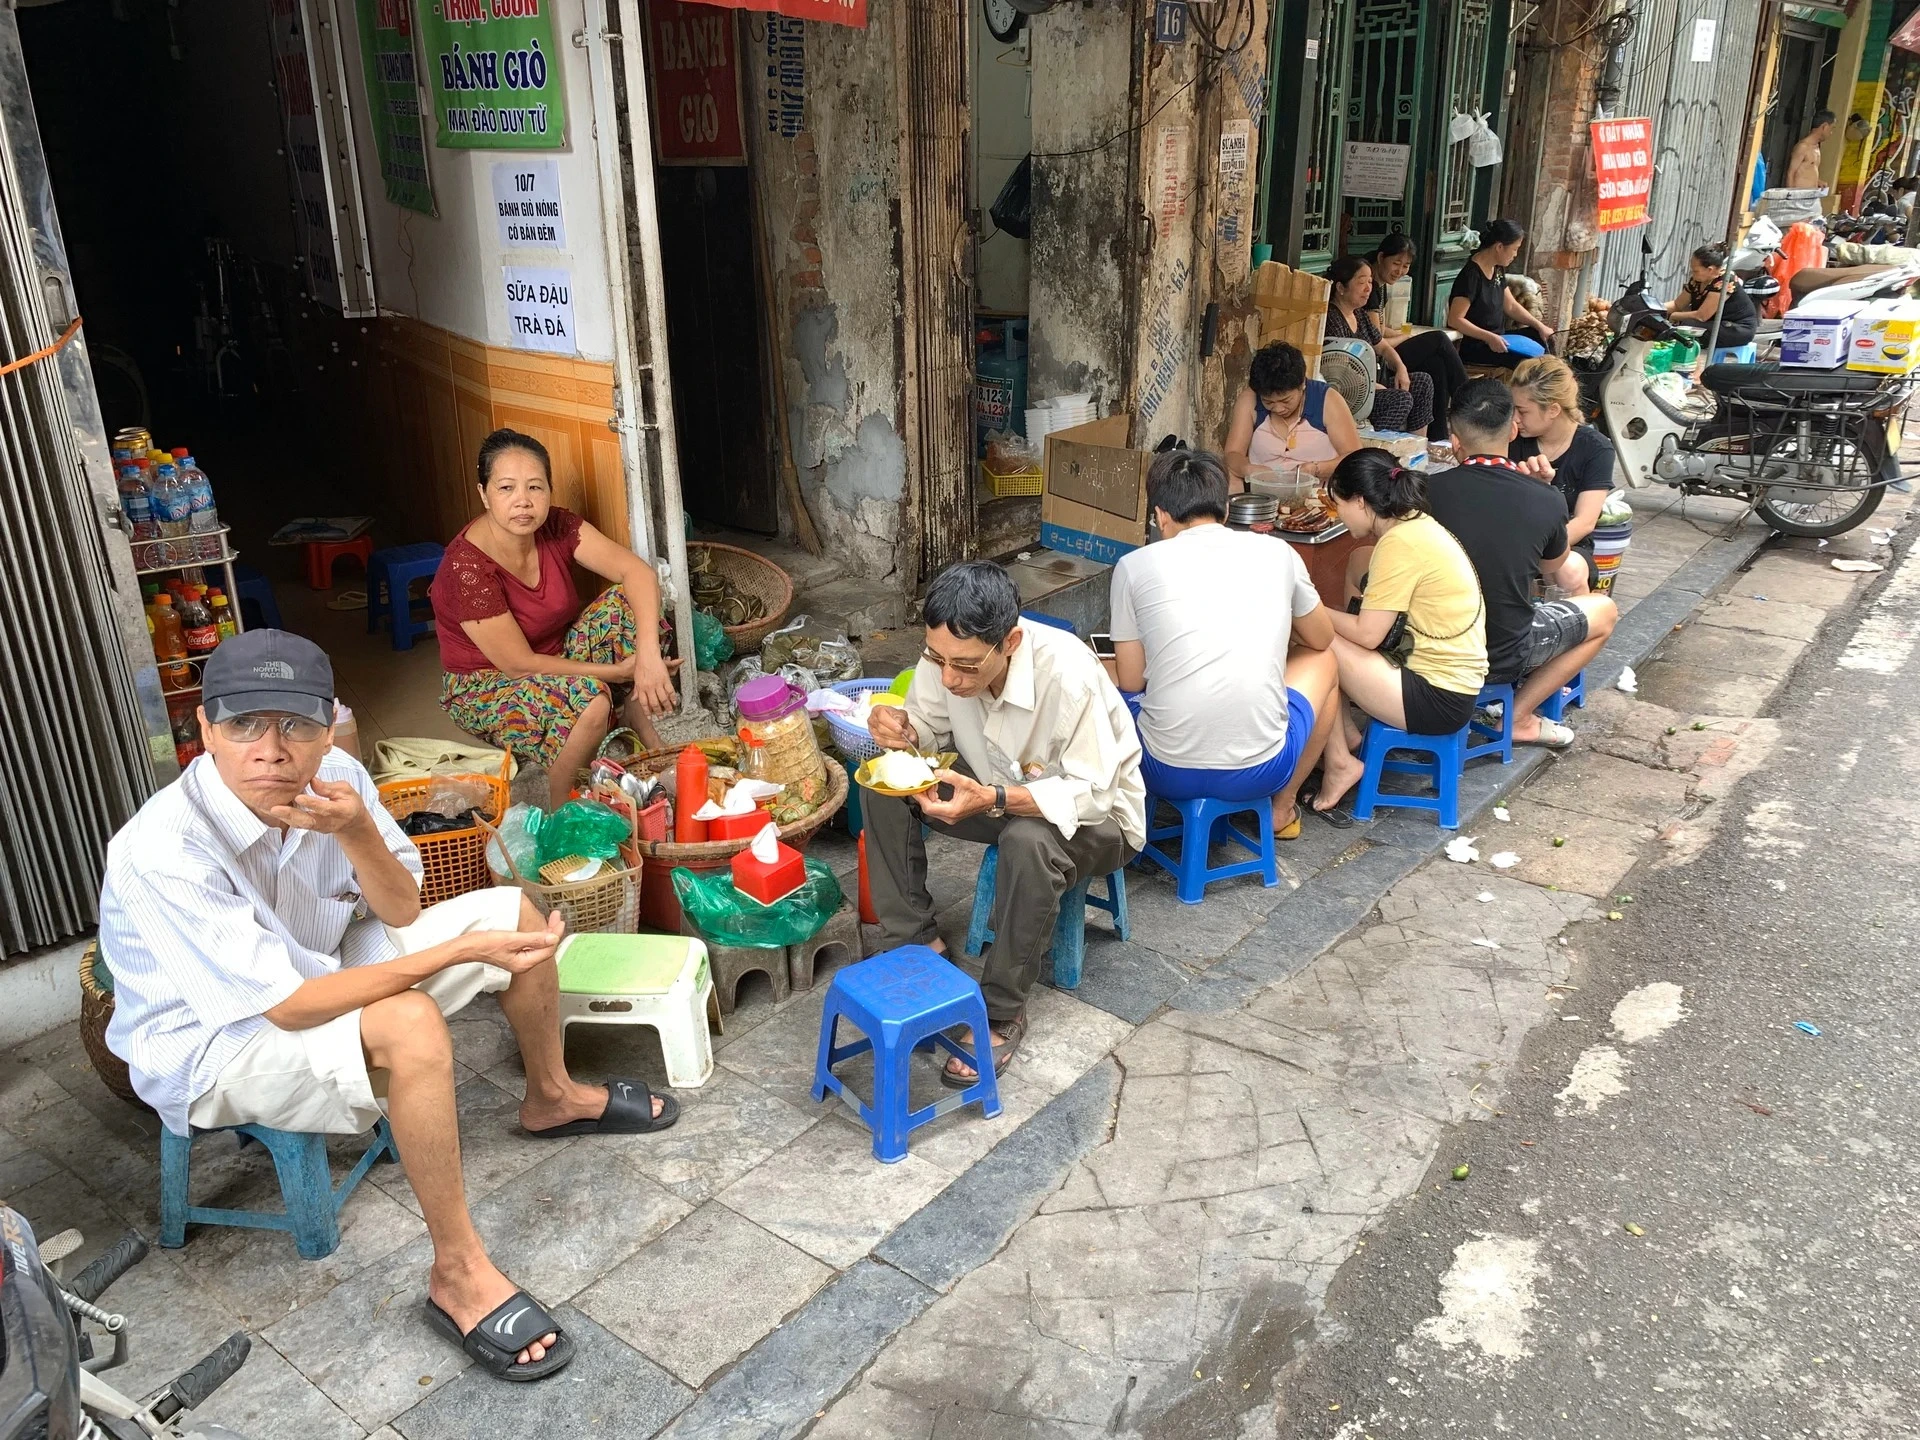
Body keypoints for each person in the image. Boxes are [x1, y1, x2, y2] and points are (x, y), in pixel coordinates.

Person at [97, 631, 677, 1384]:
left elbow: (401, 905)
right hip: (214, 1042)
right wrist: (452, 958)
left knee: (511, 915)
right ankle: (459, 1273)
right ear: (204, 732)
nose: (272, 751)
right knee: (412, 1023)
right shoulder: (163, 850)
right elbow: (290, 1006)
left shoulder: (335, 773)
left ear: (324, 725)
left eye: (295, 725)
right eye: (243, 724)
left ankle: (553, 1096)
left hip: (317, 966)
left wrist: (358, 830)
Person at [864, 563, 1144, 1083]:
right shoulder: (949, 653)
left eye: (966, 668)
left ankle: (1001, 1009)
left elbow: (1096, 795)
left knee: (1028, 839)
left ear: (1010, 641)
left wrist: (995, 797)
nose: (949, 677)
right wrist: (900, 729)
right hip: (992, 791)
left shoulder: (1068, 673)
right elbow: (929, 726)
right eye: (937, 659)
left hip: (1102, 820)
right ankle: (916, 940)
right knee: (882, 783)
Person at [431, 428, 678, 810]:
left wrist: (647, 656)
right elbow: (518, 664)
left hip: (555, 651)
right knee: (591, 703)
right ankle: (563, 805)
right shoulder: (467, 569)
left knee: (631, 604)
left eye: (535, 487)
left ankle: (634, 714)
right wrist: (621, 672)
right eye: (506, 488)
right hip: (487, 682)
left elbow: (639, 574)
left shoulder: (558, 526)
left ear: (549, 490)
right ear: (483, 494)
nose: (523, 502)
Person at [1108, 450, 1340, 840]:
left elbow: (1131, 681)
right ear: (1227, 512)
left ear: (1161, 515)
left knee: (1103, 673)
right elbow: (1321, 638)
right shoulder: (1279, 552)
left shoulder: (1134, 566)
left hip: (1165, 771)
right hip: (1260, 770)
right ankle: (1281, 808)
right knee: (1327, 662)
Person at [1425, 380, 1619, 750]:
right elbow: (1552, 568)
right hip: (1503, 655)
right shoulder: (1545, 498)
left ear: (1454, 440)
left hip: (1431, 646)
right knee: (1604, 611)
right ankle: (1521, 717)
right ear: (1513, 429)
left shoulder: (1424, 493)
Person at [1308, 450, 1488, 817]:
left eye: (1339, 504)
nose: (1339, 515)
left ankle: (1341, 761)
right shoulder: (1415, 524)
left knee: (1315, 640)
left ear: (1360, 501)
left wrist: (1307, 610)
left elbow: (1368, 634)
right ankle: (1346, 738)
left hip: (1437, 696)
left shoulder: (1400, 542)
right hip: (1452, 682)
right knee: (1336, 610)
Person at [1508, 355, 1618, 593]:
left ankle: (1578, 626)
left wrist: (1540, 551)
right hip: (1513, 538)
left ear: (1553, 410)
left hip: (1568, 543)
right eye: (1512, 409)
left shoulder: (1596, 449)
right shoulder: (1511, 439)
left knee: (1567, 571)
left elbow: (1585, 521)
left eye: (1522, 411)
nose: (1514, 419)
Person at [1360, 234, 1471, 440]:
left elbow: (1381, 329)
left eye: (1406, 266)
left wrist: (1407, 334)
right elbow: (1377, 342)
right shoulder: (1370, 287)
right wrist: (1407, 338)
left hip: (1383, 353)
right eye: (1396, 263)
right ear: (1381, 257)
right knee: (1438, 339)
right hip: (1376, 362)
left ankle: (1438, 437)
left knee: (1436, 364)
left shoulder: (1380, 284)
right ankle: (1469, 399)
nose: (1400, 271)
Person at [1224, 341, 1362, 486]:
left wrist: (1316, 468)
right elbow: (1232, 454)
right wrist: (1248, 469)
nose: (1278, 409)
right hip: (1263, 492)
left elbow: (1354, 457)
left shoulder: (1327, 399)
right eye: (1268, 402)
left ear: (1302, 384)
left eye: (1285, 400)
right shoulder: (1249, 399)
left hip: (1316, 494)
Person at [1323, 256, 1434, 435]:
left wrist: (1400, 368)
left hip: (1373, 385)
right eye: (1361, 283)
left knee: (1422, 382)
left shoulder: (1359, 314)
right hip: (1350, 394)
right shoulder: (1332, 318)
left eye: (1370, 282)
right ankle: (1378, 450)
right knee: (1399, 399)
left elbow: (1382, 346)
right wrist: (1370, 387)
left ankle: (1415, 449)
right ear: (1341, 288)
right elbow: (1339, 369)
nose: (1368, 289)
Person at [1447, 219, 1554, 371]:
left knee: (1542, 337)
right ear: (1499, 247)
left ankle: (1558, 386)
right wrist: (1489, 337)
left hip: (1500, 338)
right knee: (1529, 364)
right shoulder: (1471, 277)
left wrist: (1540, 326)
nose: (1515, 255)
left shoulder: (1497, 268)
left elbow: (1510, 306)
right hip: (1478, 346)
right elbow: (1455, 319)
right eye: (1515, 249)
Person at [1668, 244, 1759, 357]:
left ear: (1710, 269)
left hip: (1737, 329)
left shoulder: (1725, 280)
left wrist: (1673, 316)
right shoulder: (1697, 280)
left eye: (1695, 271)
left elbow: (1702, 316)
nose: (1692, 274)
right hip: (1716, 325)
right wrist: (1655, 308)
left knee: (1687, 326)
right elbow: (1677, 304)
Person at [1786, 110, 1835, 191]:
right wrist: (1790, 198)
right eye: (1831, 128)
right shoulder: (1803, 147)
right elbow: (1791, 173)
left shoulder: (1816, 148)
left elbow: (1805, 173)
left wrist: (1818, 182)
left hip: (1811, 196)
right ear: (1825, 126)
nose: (1831, 133)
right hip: (1798, 196)